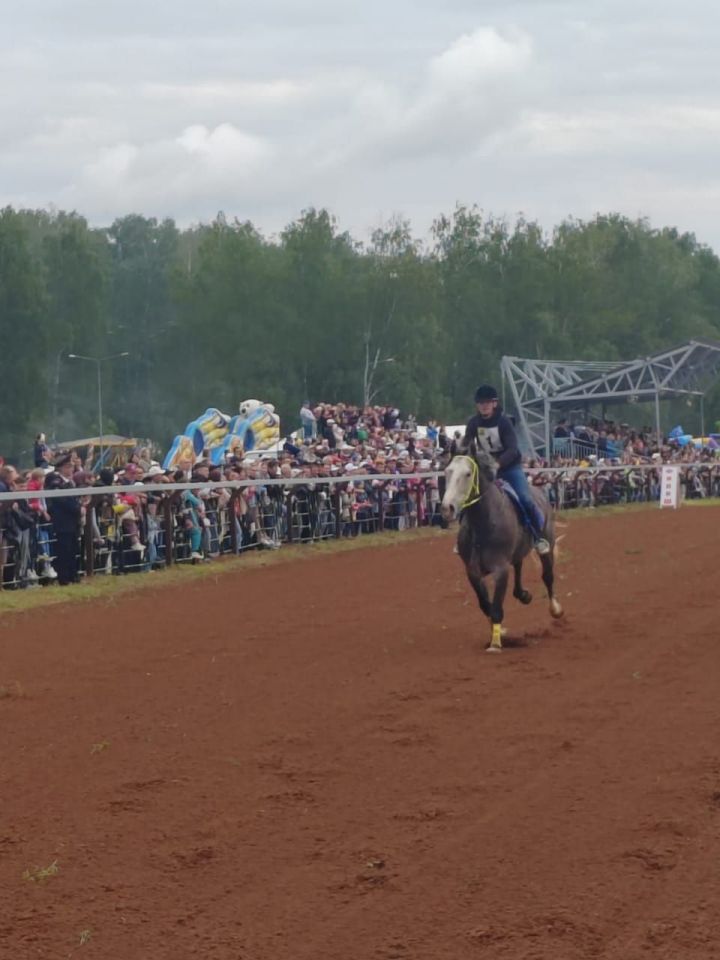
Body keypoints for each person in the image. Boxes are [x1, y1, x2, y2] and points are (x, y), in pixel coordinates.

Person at [463, 385, 550, 555]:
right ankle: (465, 538)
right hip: (486, 469)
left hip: (509, 467)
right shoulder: (473, 423)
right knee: (469, 498)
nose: (484, 406)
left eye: (487, 403)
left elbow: (512, 448)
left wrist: (498, 464)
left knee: (525, 499)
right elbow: (466, 443)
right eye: (481, 403)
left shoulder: (504, 422)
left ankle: (538, 536)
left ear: (494, 404)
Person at [44, 453, 82, 584]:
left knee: (73, 550)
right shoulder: (55, 481)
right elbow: (62, 500)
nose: (71, 469)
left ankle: (73, 575)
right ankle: (64, 578)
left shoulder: (69, 482)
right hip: (62, 521)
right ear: (60, 468)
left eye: (71, 466)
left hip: (72, 521)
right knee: (64, 550)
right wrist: (78, 509)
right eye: (68, 466)